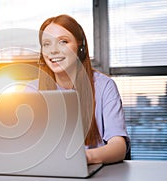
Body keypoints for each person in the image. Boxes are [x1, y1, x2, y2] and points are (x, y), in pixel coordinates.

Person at [27, 14, 130, 164]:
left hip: (94, 174)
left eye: (63, 42)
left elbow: (119, 147)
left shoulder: (104, 86)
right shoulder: (32, 90)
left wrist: (83, 158)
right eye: (47, 44)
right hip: (48, 174)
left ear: (80, 47)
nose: (53, 50)